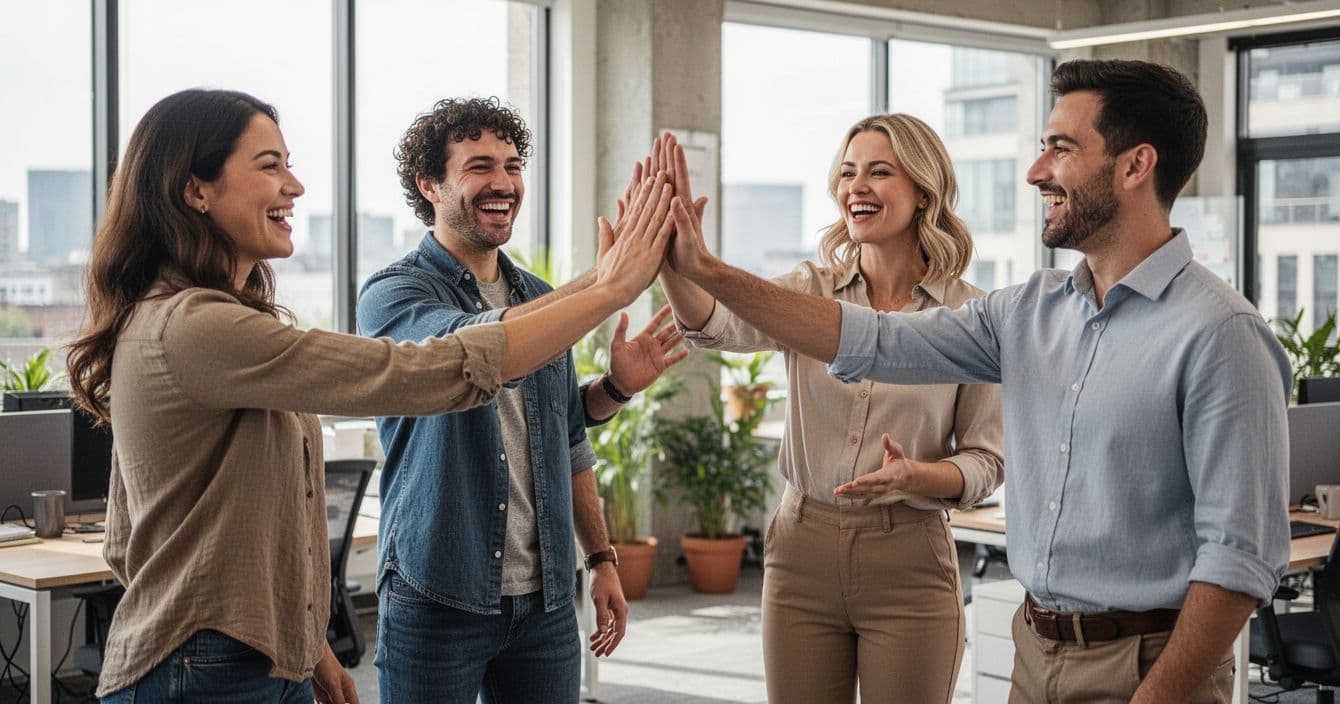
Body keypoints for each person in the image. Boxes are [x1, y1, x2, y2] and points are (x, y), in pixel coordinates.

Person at [663, 59, 1290, 704]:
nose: (1035, 170)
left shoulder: (1221, 334)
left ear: (1135, 167)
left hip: (1150, 665)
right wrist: (702, 270)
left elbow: (1240, 556)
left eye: (1061, 149)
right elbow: (875, 340)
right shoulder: (1030, 312)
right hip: (1038, 650)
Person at [65, 88, 673, 704]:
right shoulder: (204, 324)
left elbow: (153, 526)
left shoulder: (212, 321)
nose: (296, 186)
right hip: (221, 660)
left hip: (267, 654)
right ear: (195, 190)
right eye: (270, 165)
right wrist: (605, 284)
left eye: (513, 165)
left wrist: (309, 644)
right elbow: (427, 370)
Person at [654, 116, 1002, 703]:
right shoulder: (807, 292)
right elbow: (715, 325)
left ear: (923, 192)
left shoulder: (972, 317)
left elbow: (985, 461)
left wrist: (918, 476)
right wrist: (670, 259)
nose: (855, 187)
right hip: (801, 552)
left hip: (910, 559)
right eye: (847, 173)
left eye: (878, 172)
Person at [356, 96, 687, 703]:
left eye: (512, 166)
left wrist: (603, 556)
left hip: (544, 601)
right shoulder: (394, 292)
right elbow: (476, 351)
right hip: (438, 593)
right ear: (429, 184)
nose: (503, 182)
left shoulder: (539, 295)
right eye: (479, 166)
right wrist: (603, 281)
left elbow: (563, 434)